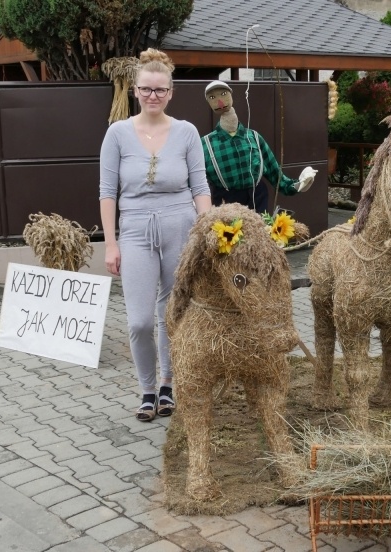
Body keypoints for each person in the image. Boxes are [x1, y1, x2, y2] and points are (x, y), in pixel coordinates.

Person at [99, 49, 211, 422]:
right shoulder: (117, 134)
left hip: (180, 226)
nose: (153, 95)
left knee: (172, 313)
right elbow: (107, 192)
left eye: (160, 89)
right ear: (135, 90)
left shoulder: (187, 132)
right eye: (146, 89)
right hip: (134, 230)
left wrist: (207, 233)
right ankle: (146, 389)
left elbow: (200, 187)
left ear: (171, 92)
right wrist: (111, 244)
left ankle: (166, 385)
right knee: (139, 321)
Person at [201, 80, 315, 214]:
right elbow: (198, 181)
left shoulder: (254, 137)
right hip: (225, 205)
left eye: (223, 94)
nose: (219, 101)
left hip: (257, 200)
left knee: (258, 227)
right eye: (212, 97)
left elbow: (273, 170)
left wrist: (295, 186)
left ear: (231, 95)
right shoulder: (205, 144)